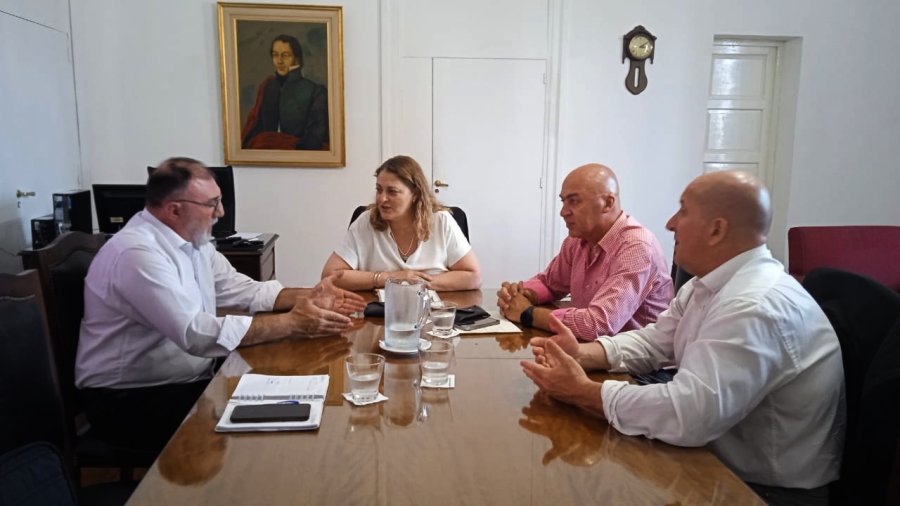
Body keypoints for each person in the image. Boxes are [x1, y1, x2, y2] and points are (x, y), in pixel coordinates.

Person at [521, 171, 845, 504]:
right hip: (717, 460)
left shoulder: (754, 304)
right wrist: (585, 354)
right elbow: (656, 341)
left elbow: (690, 414)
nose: (671, 223)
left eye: (683, 211)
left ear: (716, 229)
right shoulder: (709, 284)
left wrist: (585, 392)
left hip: (762, 490)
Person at [75, 157, 365, 455]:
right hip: (130, 400)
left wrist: (308, 296)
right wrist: (291, 323)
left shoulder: (195, 243)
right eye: (212, 204)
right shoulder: (137, 254)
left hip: (184, 382)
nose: (221, 212)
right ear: (175, 209)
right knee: (265, 442)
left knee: (293, 409)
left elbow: (243, 290)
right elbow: (194, 333)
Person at [497, 164, 673, 341]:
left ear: (607, 203)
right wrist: (521, 294)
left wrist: (528, 313)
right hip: (591, 352)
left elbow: (598, 325)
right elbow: (551, 283)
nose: (563, 212)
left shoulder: (637, 247)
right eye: (563, 201)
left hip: (637, 365)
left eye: (574, 201)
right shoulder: (577, 239)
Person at [321, 155, 482, 291]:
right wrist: (387, 278)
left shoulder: (441, 222)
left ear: (415, 194)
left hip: (432, 315)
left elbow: (473, 277)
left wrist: (419, 283)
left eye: (392, 192)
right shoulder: (365, 222)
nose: (382, 199)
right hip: (379, 315)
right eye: (379, 189)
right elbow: (330, 275)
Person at [241, 34, 329, 150]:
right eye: (275, 55)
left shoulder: (316, 91)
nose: (279, 61)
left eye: (285, 55)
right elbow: (256, 129)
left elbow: (315, 135)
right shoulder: (267, 87)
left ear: (296, 58)